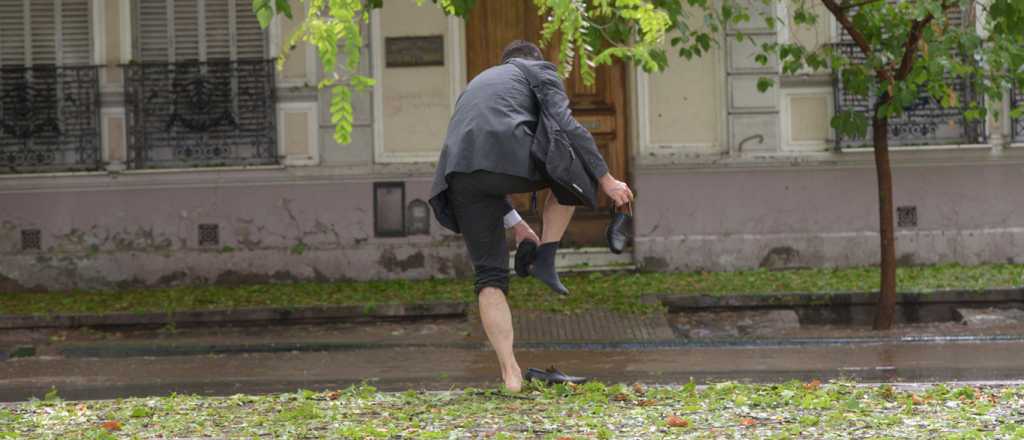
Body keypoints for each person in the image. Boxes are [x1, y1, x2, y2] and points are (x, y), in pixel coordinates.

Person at [429, 40, 634, 392]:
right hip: (501, 161)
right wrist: (607, 180)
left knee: (489, 277)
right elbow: (567, 126)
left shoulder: (479, 83)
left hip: (458, 175)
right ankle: (546, 257)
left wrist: (519, 225)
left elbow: (482, 166)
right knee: (575, 169)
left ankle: (511, 375)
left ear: (504, 62)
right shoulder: (539, 71)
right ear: (534, 61)